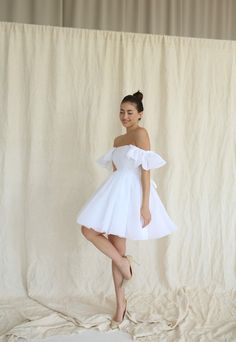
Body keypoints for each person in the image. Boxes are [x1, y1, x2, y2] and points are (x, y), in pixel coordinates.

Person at [76, 90, 177, 329]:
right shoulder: (117, 140)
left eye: (130, 112)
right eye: (121, 112)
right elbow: (115, 170)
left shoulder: (141, 134)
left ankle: (120, 305)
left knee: (117, 246)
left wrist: (144, 205)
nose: (125, 116)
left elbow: (145, 170)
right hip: (115, 191)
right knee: (89, 231)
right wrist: (110, 200)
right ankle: (124, 264)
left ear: (140, 114)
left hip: (132, 193)